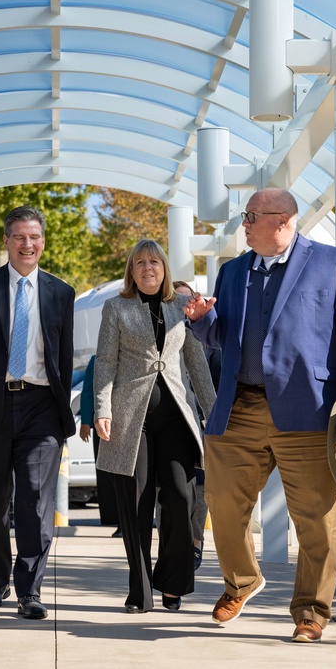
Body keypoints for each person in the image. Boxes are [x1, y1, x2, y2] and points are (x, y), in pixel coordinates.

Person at [184, 188, 336, 643]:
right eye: (244, 215)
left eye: (251, 216)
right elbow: (221, 337)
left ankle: (311, 612)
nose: (243, 224)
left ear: (283, 220)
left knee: (316, 520)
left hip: (307, 408)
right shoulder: (232, 272)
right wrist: (201, 321)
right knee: (222, 503)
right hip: (240, 406)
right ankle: (243, 582)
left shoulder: (332, 263)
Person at [0, 207, 76, 620]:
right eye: (19, 237)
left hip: (41, 407)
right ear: (6, 241)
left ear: (43, 241)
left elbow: (63, 357)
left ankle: (30, 590)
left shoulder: (61, 292)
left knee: (36, 501)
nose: (27, 245)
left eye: (34, 237)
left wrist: (63, 413)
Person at [93, 240, 215, 614]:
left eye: (154, 262)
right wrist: (101, 408)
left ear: (164, 268)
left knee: (181, 497)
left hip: (177, 418)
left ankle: (173, 582)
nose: (148, 268)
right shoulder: (116, 308)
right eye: (140, 262)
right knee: (136, 503)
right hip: (132, 419)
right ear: (131, 270)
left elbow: (197, 365)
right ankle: (139, 590)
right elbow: (105, 364)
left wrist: (215, 415)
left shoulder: (182, 307)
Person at [172, 280, 210, 571]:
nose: (183, 308)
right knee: (169, 494)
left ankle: (194, 544)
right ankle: (173, 545)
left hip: (203, 428)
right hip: (171, 426)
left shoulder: (209, 338)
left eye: (188, 301)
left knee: (200, 489)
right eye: (177, 302)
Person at [76, 355, 120, 533]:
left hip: (132, 425)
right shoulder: (97, 359)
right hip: (103, 426)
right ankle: (117, 521)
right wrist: (86, 422)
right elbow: (88, 392)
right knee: (108, 475)